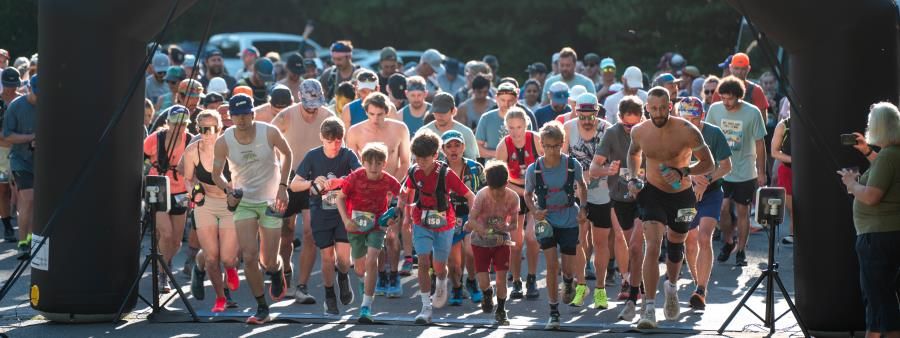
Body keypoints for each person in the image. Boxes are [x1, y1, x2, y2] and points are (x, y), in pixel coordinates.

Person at [626, 87, 714, 329]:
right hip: (652, 193)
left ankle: (672, 288)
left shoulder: (687, 130)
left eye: (663, 107)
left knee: (676, 246)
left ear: (670, 106)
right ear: (646, 108)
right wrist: (633, 177)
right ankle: (650, 308)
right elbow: (633, 154)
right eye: (653, 108)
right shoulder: (640, 131)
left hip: (682, 195)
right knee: (652, 245)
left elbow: (708, 162)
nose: (658, 112)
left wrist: (684, 171)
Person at [212, 94, 293, 324]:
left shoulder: (269, 132)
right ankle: (261, 307)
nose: (241, 119)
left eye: (245, 114)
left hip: (271, 200)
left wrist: (283, 187)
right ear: (231, 116)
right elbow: (215, 174)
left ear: (252, 114)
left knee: (267, 260)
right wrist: (229, 190)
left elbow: (287, 154)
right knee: (248, 256)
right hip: (244, 202)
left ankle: (277, 271)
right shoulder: (224, 140)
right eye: (236, 115)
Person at [397, 129, 476, 325]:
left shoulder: (445, 174)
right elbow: (406, 191)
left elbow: (470, 195)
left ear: (435, 155)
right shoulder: (414, 171)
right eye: (418, 158)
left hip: (445, 223)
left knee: (440, 266)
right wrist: (404, 215)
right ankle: (425, 307)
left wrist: (472, 219)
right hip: (421, 221)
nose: (421, 162)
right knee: (423, 261)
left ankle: (442, 279)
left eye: (425, 158)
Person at [837, 102, 900, 338]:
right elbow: (884, 171)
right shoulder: (890, 155)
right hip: (886, 234)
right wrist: (866, 152)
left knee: (881, 299)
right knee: (876, 298)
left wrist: (852, 184)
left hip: (878, 237)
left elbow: (872, 196)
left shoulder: (889, 156)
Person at [270, 79, 332, 304]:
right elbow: (269, 142)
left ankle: (302, 286)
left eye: (315, 104)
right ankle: (284, 273)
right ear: (299, 99)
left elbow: (337, 144)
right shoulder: (286, 115)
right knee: (285, 233)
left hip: (314, 180)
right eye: (308, 105)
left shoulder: (327, 116)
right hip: (287, 178)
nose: (312, 109)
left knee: (309, 232)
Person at [291, 117, 359, 316]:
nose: (334, 145)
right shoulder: (312, 156)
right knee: (327, 259)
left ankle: (344, 278)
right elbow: (294, 185)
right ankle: (329, 296)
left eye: (338, 141)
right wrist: (313, 183)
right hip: (320, 212)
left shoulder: (348, 154)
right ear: (321, 138)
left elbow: (360, 175)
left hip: (343, 212)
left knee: (344, 260)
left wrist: (342, 181)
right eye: (330, 141)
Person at [523, 121, 588, 330]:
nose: (552, 150)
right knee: (552, 265)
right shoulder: (534, 169)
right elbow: (526, 194)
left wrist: (584, 207)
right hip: (546, 221)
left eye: (556, 146)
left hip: (569, 218)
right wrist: (534, 211)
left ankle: (568, 282)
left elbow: (582, 185)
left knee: (567, 268)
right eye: (548, 146)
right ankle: (553, 312)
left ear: (562, 143)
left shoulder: (572, 165)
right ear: (542, 144)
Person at [345, 92, 411, 292]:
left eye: (380, 114)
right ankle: (381, 274)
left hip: (393, 186)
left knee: (392, 236)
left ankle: (394, 275)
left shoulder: (400, 128)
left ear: (387, 111)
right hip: (366, 193)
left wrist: (391, 186)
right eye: (372, 114)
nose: (376, 119)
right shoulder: (355, 131)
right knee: (376, 237)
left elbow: (406, 161)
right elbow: (352, 166)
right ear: (365, 112)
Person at [674, 97, 732, 311]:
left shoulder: (714, 134)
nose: (691, 124)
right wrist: (692, 177)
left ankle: (700, 289)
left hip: (712, 192)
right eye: (686, 119)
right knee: (689, 240)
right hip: (684, 194)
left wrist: (707, 179)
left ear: (702, 116)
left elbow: (727, 165)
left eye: (695, 119)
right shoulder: (674, 134)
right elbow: (667, 166)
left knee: (704, 237)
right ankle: (699, 281)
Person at [591, 95, 646, 319]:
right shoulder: (612, 133)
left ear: (642, 118)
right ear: (619, 118)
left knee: (635, 243)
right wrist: (608, 171)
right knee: (626, 240)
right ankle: (631, 280)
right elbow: (594, 168)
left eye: (635, 125)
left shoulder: (647, 131)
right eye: (627, 125)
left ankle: (635, 287)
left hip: (645, 195)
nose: (631, 129)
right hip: (620, 196)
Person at [180, 110, 239, 312]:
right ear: (198, 129)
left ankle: (231, 268)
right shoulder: (191, 151)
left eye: (213, 128)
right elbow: (188, 179)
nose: (208, 133)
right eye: (204, 129)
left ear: (220, 128)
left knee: (228, 257)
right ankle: (221, 298)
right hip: (205, 204)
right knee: (212, 256)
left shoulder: (231, 147)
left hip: (229, 204)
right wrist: (195, 193)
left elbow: (243, 176)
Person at [335, 142, 401, 323]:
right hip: (355, 226)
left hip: (377, 226)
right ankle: (364, 281)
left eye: (378, 163)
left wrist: (395, 213)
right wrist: (346, 220)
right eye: (369, 162)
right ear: (363, 162)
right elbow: (340, 198)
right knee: (360, 268)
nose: (374, 167)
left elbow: (402, 194)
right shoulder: (354, 177)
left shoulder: (388, 180)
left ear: (384, 164)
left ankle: (366, 307)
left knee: (372, 260)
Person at [705, 76, 767, 266]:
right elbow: (707, 138)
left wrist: (762, 171)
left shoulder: (752, 112)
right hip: (721, 170)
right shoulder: (715, 109)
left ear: (739, 97)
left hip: (745, 170)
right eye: (722, 98)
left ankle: (741, 250)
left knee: (742, 211)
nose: (725, 102)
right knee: (722, 208)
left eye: (729, 98)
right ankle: (728, 241)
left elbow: (760, 143)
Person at [561, 93, 615, 309]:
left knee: (601, 242)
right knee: (579, 241)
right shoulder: (567, 128)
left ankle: (601, 290)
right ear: (576, 112)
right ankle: (581, 286)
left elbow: (613, 165)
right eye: (582, 115)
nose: (586, 120)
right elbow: (563, 160)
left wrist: (594, 173)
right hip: (576, 194)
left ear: (597, 112)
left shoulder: (608, 129)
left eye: (590, 116)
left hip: (602, 194)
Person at [494, 107, 543, 299]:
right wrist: (522, 192)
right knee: (515, 242)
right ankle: (515, 280)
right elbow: (499, 179)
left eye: (519, 127)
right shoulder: (503, 146)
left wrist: (537, 191)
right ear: (507, 128)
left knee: (532, 237)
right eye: (512, 128)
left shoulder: (536, 140)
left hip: (536, 190)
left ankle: (531, 278)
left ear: (526, 125)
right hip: (514, 192)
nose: (516, 132)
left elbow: (548, 164)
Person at [142, 104, 192, 290]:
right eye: (175, 124)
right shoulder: (154, 139)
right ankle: (163, 275)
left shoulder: (190, 141)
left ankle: (165, 262)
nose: (178, 128)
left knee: (176, 240)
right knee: (166, 232)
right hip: (158, 187)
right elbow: (140, 157)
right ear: (168, 122)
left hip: (180, 191)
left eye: (183, 124)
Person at [466, 160, 517, 325]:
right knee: (483, 281)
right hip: (480, 242)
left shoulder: (513, 197)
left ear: (506, 183)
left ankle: (502, 310)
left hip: (502, 241)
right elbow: (471, 220)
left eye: (499, 189)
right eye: (492, 189)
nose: (495, 194)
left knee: (502, 277)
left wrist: (507, 227)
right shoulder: (482, 195)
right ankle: (487, 293)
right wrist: (484, 231)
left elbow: (515, 224)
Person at [440, 130, 485, 307]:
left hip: (471, 214)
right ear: (443, 149)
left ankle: (472, 281)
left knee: (471, 251)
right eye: (449, 146)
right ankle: (457, 287)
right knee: (453, 261)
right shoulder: (438, 169)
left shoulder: (475, 168)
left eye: (457, 145)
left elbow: (485, 192)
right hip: (447, 216)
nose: (453, 149)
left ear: (464, 147)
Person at [3, 75, 37, 258]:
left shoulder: (49, 105)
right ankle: (23, 242)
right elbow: (7, 136)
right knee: (28, 198)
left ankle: (32, 239)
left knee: (35, 201)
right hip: (20, 159)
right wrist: (31, 138)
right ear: (29, 88)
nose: (39, 98)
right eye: (37, 93)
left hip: (41, 161)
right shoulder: (16, 106)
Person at [476, 83, 533, 160]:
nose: (506, 104)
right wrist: (501, 154)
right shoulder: (486, 118)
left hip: (519, 168)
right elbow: (478, 149)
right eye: (503, 100)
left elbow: (529, 148)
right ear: (496, 99)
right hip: (493, 168)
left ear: (516, 99)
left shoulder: (525, 119)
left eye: (510, 100)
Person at [421, 92, 480, 160]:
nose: (440, 115)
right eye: (436, 112)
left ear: (453, 111)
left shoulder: (466, 133)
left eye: (443, 112)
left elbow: (472, 163)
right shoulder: (423, 133)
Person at [711, 53, 768, 121]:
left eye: (743, 69)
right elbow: (713, 114)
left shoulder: (756, 90)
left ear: (748, 69)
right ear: (730, 68)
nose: (739, 72)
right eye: (736, 68)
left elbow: (762, 120)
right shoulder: (720, 88)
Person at [0, 68, 22, 242]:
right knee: (3, 190)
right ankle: (7, 225)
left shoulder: (23, 100)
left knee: (23, 191)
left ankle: (24, 228)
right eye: (8, 85)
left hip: (21, 152)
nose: (10, 89)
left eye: (13, 85)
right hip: (2, 153)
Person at [770, 116, 794, 244]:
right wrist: (794, 160)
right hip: (787, 170)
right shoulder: (783, 125)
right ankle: (794, 233)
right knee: (793, 207)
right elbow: (774, 152)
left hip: (809, 170)